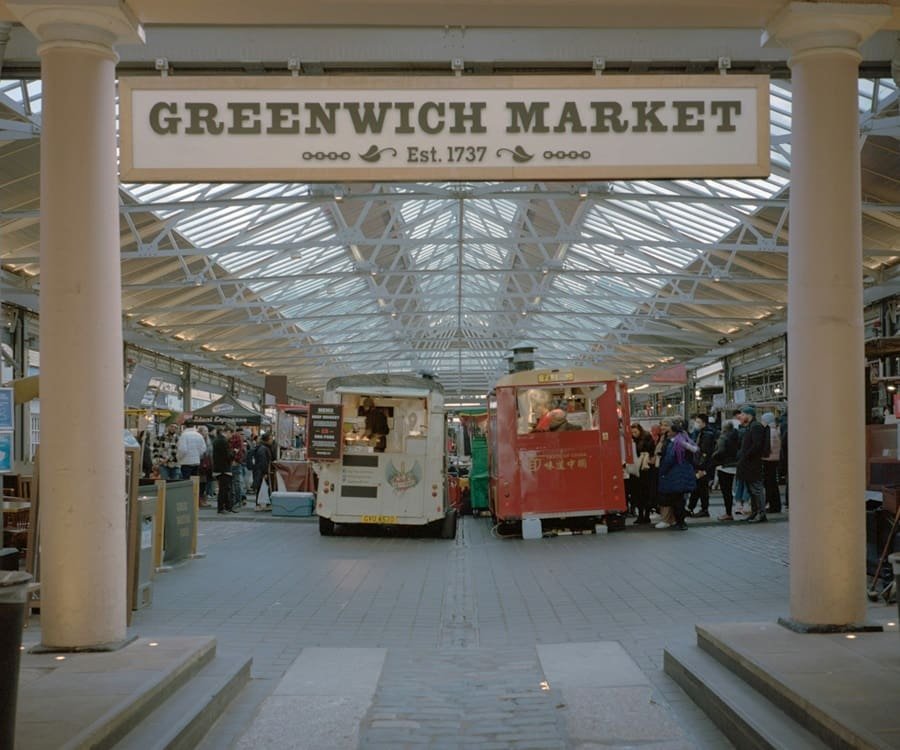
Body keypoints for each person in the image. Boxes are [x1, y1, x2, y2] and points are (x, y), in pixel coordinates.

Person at [657, 417, 697, 530]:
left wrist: (662, 471)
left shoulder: (674, 443)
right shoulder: (686, 439)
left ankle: (679, 522)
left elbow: (669, 459)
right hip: (685, 472)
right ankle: (681, 522)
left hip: (674, 474)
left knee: (675, 499)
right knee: (681, 499)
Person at [736, 404, 767, 523]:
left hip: (752, 464)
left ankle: (761, 513)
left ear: (749, 415)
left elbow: (756, 445)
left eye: (743, 414)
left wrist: (746, 456)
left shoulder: (755, 427)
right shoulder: (750, 426)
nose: (740, 416)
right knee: (751, 489)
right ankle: (755, 512)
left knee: (756, 489)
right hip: (747, 463)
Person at [687, 414, 718, 518]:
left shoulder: (707, 434)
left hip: (703, 466)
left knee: (702, 488)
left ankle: (703, 509)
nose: (696, 424)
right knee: (698, 487)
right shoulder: (702, 433)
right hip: (701, 465)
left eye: (698, 422)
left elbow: (705, 452)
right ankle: (691, 507)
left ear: (704, 422)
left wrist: (701, 467)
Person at [629, 424, 656, 525]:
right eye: (632, 433)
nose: (634, 434)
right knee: (637, 494)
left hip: (645, 469)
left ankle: (646, 515)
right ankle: (641, 515)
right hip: (636, 470)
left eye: (635, 432)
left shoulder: (647, 438)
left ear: (640, 430)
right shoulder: (631, 440)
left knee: (645, 493)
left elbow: (651, 451)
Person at [713, 421, 740, 521]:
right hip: (733, 465)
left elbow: (720, 451)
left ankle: (728, 513)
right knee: (730, 489)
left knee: (725, 491)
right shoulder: (736, 437)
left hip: (723, 466)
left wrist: (714, 457)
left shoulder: (723, 437)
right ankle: (730, 512)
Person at [760, 412, 782, 513]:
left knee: (770, 484)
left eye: (763, 420)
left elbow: (769, 447)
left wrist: (762, 455)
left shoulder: (770, 431)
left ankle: (773, 506)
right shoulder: (775, 430)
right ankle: (775, 505)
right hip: (774, 459)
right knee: (773, 483)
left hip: (769, 459)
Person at [212, 425, 237, 513]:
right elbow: (227, 456)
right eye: (231, 433)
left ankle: (227, 507)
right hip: (223, 469)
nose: (231, 436)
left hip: (219, 467)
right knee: (224, 489)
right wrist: (234, 452)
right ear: (228, 432)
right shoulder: (223, 441)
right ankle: (221, 508)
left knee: (225, 489)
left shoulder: (217, 440)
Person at [252, 433, 275, 505]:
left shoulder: (264, 447)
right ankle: (260, 503)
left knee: (262, 486)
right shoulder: (263, 448)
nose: (272, 440)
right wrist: (265, 472)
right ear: (267, 440)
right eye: (271, 439)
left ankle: (261, 503)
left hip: (260, 470)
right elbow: (263, 461)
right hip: (261, 471)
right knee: (262, 487)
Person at [229, 425, 247, 508]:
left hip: (234, 462)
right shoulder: (239, 439)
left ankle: (237, 500)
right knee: (238, 482)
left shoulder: (235, 438)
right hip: (238, 462)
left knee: (235, 482)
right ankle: (239, 500)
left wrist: (234, 459)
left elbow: (235, 451)